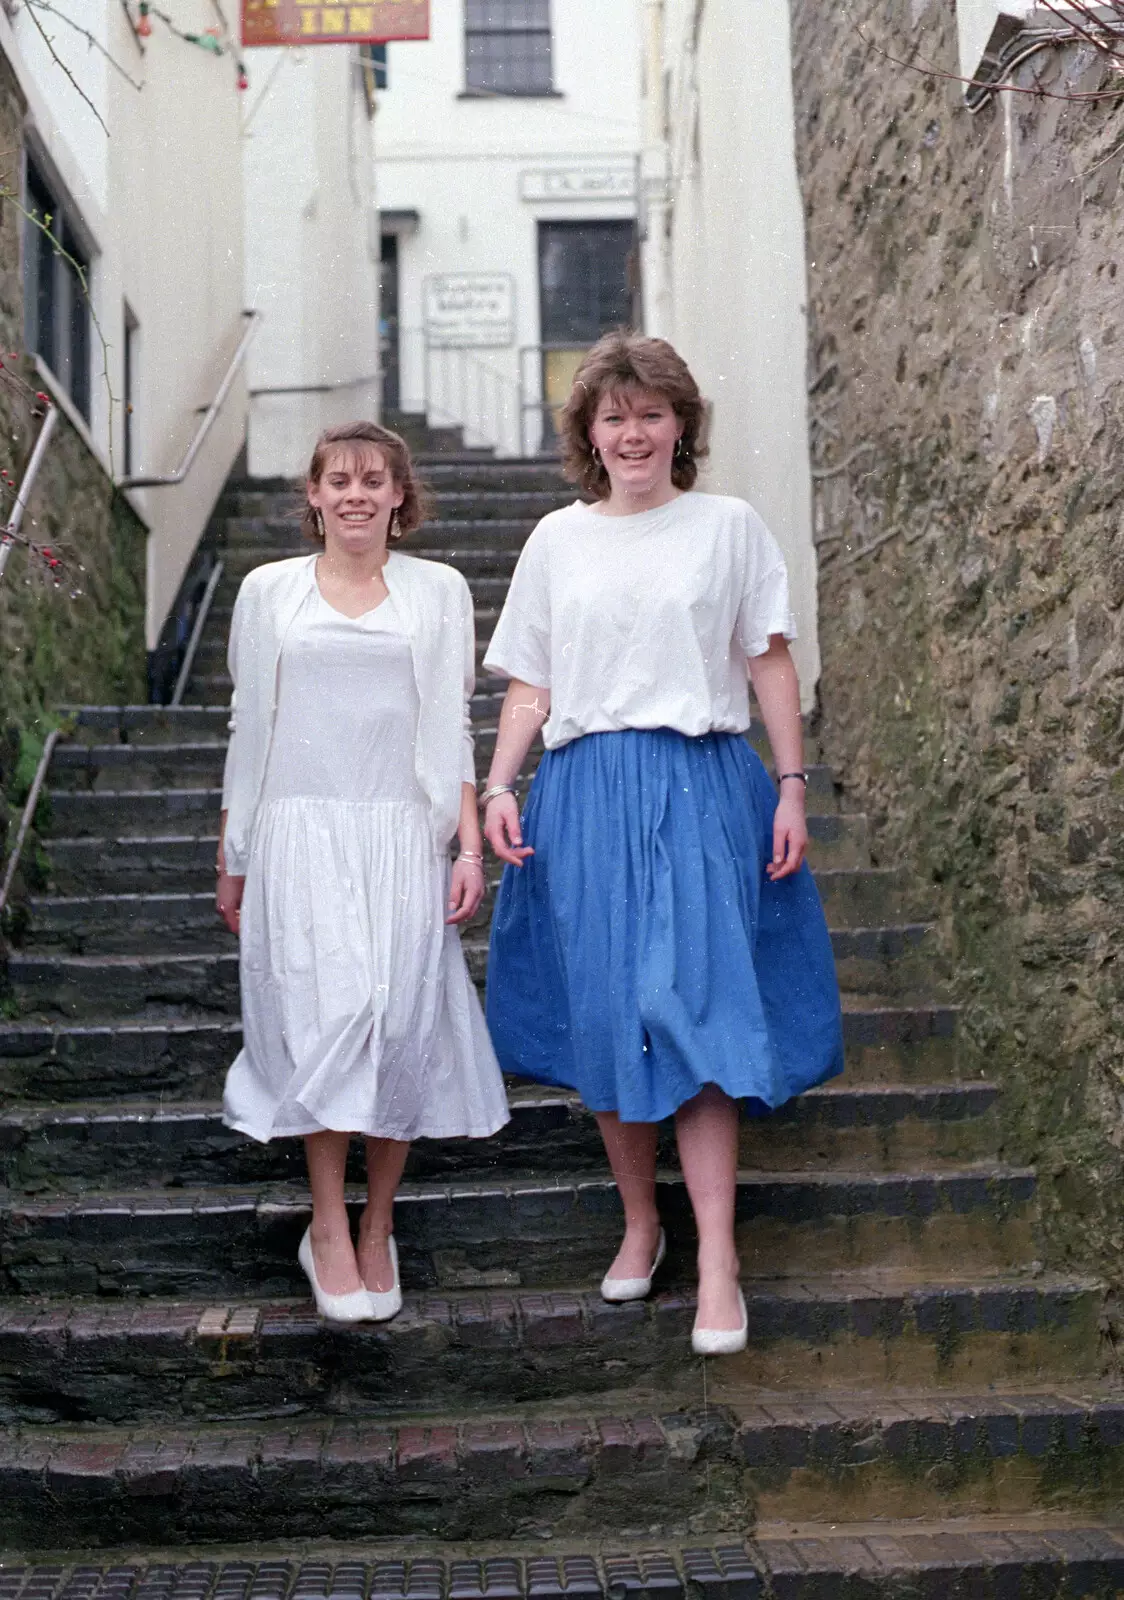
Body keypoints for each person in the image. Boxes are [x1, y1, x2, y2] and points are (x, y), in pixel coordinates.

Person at [481, 332, 843, 1357]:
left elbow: (766, 661)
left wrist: (788, 784)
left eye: (648, 413)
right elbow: (531, 683)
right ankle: (641, 1219)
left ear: (678, 424)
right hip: (586, 790)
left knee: (696, 1011)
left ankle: (718, 1260)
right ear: (587, 435)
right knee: (607, 1012)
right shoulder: (556, 540)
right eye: (612, 416)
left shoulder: (725, 526)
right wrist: (499, 783)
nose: (631, 432)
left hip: (699, 784)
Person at [216, 420, 508, 1324]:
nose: (354, 494)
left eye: (372, 480)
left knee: (399, 1031)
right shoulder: (269, 592)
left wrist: (467, 847)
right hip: (299, 837)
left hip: (398, 838)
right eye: (336, 480)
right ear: (313, 496)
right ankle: (326, 1227)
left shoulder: (439, 591)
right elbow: (247, 726)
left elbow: (453, 728)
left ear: (397, 496)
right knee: (326, 1022)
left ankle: (377, 1222)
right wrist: (233, 855)